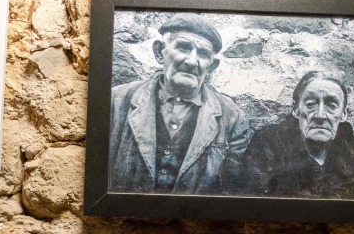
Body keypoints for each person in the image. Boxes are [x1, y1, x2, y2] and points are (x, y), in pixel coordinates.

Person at [107, 14, 250, 194]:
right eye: (183, 47)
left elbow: (229, 191)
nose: (191, 61)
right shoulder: (116, 101)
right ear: (160, 52)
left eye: (203, 54)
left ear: (211, 66)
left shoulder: (232, 119)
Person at [239, 68, 354, 200]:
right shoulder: (268, 145)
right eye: (310, 104)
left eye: (331, 105)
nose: (320, 115)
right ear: (296, 109)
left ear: (344, 113)